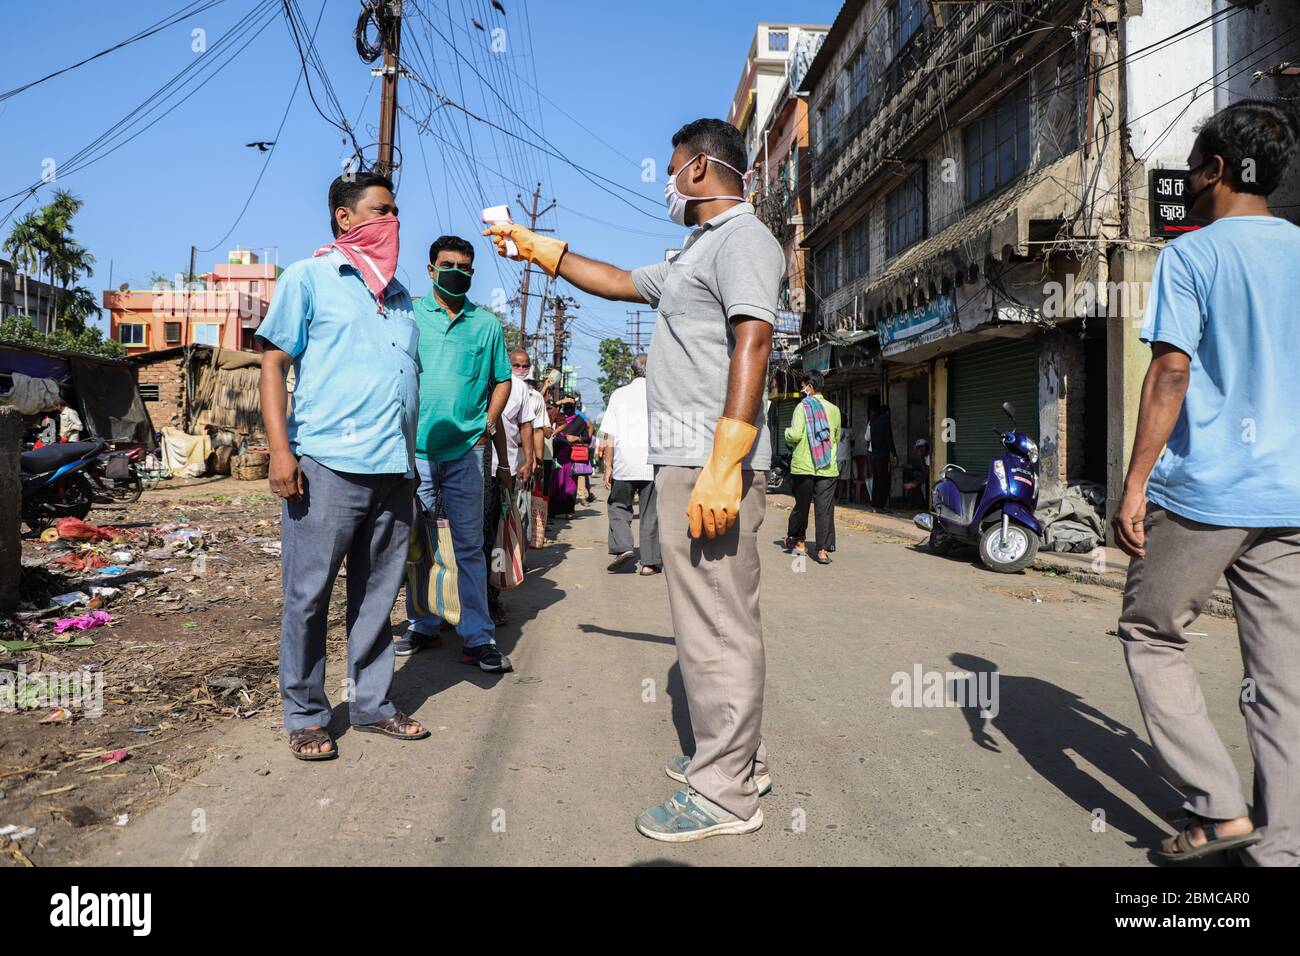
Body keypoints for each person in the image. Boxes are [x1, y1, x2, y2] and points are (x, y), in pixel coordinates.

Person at [485, 116, 782, 842]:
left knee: (717, 626)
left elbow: (757, 337)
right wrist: (538, 248)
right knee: (707, 624)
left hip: (714, 460)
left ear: (704, 169)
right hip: (689, 457)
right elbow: (617, 281)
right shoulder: (697, 250)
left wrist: (725, 460)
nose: (667, 182)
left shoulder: (745, 240)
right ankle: (734, 758)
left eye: (674, 168)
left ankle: (727, 796)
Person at [1112, 100, 1300, 865]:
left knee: (1151, 631)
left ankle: (1221, 810)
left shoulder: (1192, 256)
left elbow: (1171, 371)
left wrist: (1134, 485)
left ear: (1217, 170)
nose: (1186, 183)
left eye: (1193, 168)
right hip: (1290, 495)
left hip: (1205, 495)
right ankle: (1282, 847)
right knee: (1283, 676)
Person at [256, 171, 429, 760]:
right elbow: (273, 365)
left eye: (396, 211)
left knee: (378, 599)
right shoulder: (309, 277)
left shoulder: (402, 295)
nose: (392, 221)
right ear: (344, 217)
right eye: (380, 210)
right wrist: (282, 451)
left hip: (394, 470)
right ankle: (305, 713)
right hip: (327, 465)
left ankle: (372, 704)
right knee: (308, 597)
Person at [396, 235, 514, 673]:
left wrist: (488, 421)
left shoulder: (485, 325)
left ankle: (477, 636)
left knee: (468, 546)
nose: (457, 273)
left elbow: (502, 379)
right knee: (421, 545)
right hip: (416, 452)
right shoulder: (408, 315)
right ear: (430, 270)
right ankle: (422, 624)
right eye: (449, 265)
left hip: (467, 452)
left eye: (466, 268)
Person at [484, 348, 542, 622]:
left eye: (524, 365)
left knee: (494, 536)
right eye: (515, 364)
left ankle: (490, 599)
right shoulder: (477, 376)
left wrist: (529, 459)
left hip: (500, 471)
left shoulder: (518, 388)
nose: (520, 369)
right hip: (465, 467)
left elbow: (526, 426)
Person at [600, 353, 660, 575]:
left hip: (624, 463)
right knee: (650, 512)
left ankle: (623, 546)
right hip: (652, 463)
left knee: (618, 506)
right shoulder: (659, 394)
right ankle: (649, 563)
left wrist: (608, 467)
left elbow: (610, 435)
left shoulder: (619, 395)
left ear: (631, 372)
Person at [782, 371, 840, 565]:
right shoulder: (834, 409)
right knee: (824, 509)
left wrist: (787, 433)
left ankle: (799, 541)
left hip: (804, 466)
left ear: (810, 387)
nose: (802, 389)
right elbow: (836, 437)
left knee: (802, 506)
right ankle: (823, 551)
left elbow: (795, 435)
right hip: (827, 467)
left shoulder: (802, 408)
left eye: (804, 385)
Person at [548, 395, 586, 517]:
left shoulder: (580, 420)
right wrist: (560, 402)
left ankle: (568, 511)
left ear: (575, 407)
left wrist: (577, 438)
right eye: (566, 406)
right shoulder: (557, 417)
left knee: (569, 484)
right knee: (555, 484)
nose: (568, 409)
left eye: (570, 406)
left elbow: (587, 438)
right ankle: (552, 511)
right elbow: (548, 409)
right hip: (555, 455)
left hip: (570, 457)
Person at [866, 405, 897, 510]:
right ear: (887, 413)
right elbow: (889, 439)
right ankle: (880, 504)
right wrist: (894, 453)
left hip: (874, 456)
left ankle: (874, 502)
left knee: (877, 480)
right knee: (884, 481)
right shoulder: (885, 422)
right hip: (883, 456)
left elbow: (869, 439)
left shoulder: (873, 422)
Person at [902, 438, 931, 507]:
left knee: (917, 482)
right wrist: (921, 457)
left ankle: (922, 503)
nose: (919, 450)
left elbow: (926, 474)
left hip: (930, 478)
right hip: (926, 476)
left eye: (921, 448)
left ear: (925, 447)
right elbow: (924, 470)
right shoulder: (925, 457)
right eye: (918, 449)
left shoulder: (929, 456)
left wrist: (914, 483)